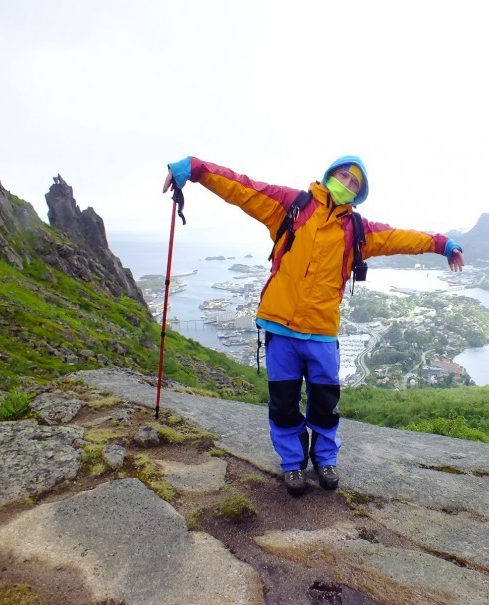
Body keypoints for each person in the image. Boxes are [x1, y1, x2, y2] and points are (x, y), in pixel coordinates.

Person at [162, 155, 464, 496]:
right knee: (284, 404)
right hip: (281, 328)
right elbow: (242, 188)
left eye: (355, 183)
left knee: (325, 404)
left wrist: (442, 244)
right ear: (330, 174)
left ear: (359, 194)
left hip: (322, 332)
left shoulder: (359, 231)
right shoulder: (292, 205)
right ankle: (292, 463)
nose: (347, 184)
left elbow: (401, 238)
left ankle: (325, 460)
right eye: (343, 176)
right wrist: (196, 168)